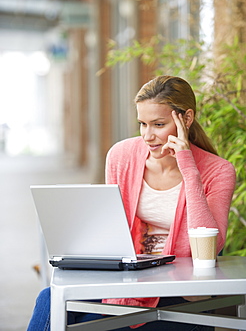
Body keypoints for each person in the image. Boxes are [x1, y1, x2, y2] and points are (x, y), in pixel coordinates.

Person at [27, 75, 236, 331]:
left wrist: (187, 167)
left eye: (158, 125)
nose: (148, 136)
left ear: (186, 119)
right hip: (128, 278)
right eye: (142, 124)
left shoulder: (219, 171)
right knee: (49, 299)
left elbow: (209, 245)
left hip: (181, 290)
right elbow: (112, 227)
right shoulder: (121, 156)